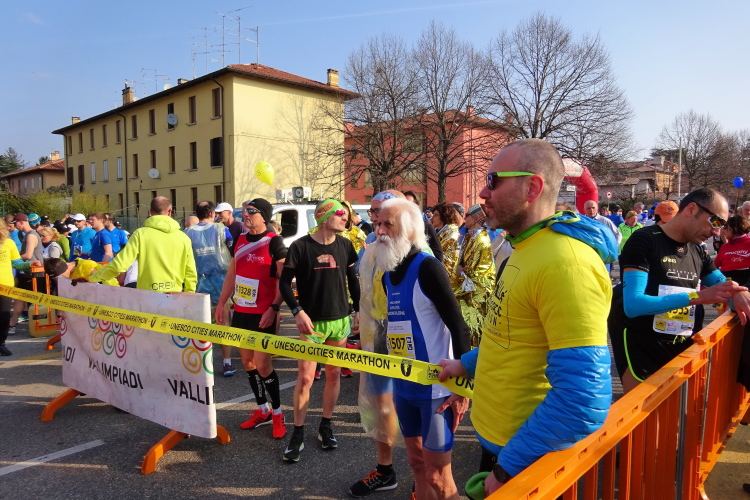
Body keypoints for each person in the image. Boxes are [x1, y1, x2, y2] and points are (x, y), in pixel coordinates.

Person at [438, 139, 615, 496]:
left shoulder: (567, 264)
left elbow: (583, 399)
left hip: (528, 461)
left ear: (532, 187)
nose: (483, 193)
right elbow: (512, 335)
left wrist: (506, 471)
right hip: (507, 447)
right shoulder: (526, 246)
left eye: (493, 180)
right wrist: (467, 364)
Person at [375, 198, 471, 500]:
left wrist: (463, 388)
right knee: (417, 465)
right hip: (404, 387)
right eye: (377, 223)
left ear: (408, 229)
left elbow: (459, 327)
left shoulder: (429, 268)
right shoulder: (388, 275)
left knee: (438, 476)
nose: (379, 231)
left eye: (387, 224)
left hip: (436, 391)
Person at [612, 188, 750, 394]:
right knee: (645, 413)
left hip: (681, 348)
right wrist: (697, 297)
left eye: (722, 225)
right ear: (691, 209)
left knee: (677, 414)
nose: (716, 232)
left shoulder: (696, 250)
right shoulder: (645, 240)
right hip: (642, 348)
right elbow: (634, 305)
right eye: (716, 222)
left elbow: (723, 284)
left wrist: (738, 291)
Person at [278, 199, 360, 463]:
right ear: (324, 217)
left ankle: (326, 425)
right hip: (312, 323)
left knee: (334, 375)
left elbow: (353, 280)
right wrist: (297, 311)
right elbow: (284, 283)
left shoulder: (345, 245)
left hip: (339, 320)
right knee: (305, 379)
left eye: (347, 215)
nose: (346, 218)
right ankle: (298, 432)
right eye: (341, 213)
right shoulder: (301, 246)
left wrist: (358, 310)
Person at [215, 198, 288, 439]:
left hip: (264, 313)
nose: (245, 215)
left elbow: (284, 281)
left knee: (263, 365)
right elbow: (232, 275)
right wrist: (222, 302)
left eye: (251, 211)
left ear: (264, 216)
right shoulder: (241, 240)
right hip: (242, 311)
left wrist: (274, 309)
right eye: (244, 211)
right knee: (247, 363)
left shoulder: (274, 241)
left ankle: (278, 413)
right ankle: (263, 410)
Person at [349, 190, 404, 497]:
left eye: (381, 212)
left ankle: (424, 479)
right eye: (372, 213)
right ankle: (385, 470)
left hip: (410, 342)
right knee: (381, 406)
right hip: (376, 338)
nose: (375, 220)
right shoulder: (371, 246)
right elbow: (365, 289)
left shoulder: (417, 250)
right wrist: (361, 320)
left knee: (415, 410)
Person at [89, 197, 197, 295]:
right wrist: (189, 294)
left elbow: (120, 265)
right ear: (170, 211)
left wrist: (93, 278)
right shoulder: (183, 238)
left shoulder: (140, 234)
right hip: (175, 295)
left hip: (148, 295)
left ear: (150, 212)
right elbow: (190, 272)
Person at [184, 201, 233, 376]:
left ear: (197, 214)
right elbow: (232, 249)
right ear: (212, 213)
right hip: (220, 278)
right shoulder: (222, 229)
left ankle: (203, 362)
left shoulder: (187, 233)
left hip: (198, 280)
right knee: (224, 321)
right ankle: (227, 363)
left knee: (202, 322)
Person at [453, 204, 496, 346]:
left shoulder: (480, 239)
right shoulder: (471, 236)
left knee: (474, 329)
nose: (464, 218)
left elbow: (477, 272)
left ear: (477, 217)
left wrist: (461, 272)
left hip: (477, 293)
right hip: (468, 289)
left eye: (468, 215)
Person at [0, 219, 32, 354]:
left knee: (4, 317)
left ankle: (1, 344)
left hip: (6, 286)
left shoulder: (9, 243)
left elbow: (17, 263)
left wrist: (29, 265)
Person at [11, 213, 45, 328]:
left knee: (34, 302)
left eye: (15, 223)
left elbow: (28, 255)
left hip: (35, 273)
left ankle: (38, 326)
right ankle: (12, 323)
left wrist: (12, 258)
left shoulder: (31, 235)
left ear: (21, 222)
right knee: (19, 298)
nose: (15, 226)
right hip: (27, 272)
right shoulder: (27, 235)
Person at [715, 215, 750, 286]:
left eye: (725, 228)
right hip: (728, 284)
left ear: (734, 228)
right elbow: (714, 266)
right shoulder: (725, 247)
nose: (723, 232)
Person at [430, 203, 461, 284]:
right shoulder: (437, 231)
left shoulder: (451, 232)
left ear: (444, 216)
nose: (432, 217)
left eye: (436, 215)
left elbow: (437, 251)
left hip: (446, 273)